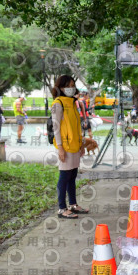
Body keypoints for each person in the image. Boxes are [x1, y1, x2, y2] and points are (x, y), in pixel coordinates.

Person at [50, 75, 88, 219]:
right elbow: (56, 127)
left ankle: (73, 204)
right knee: (64, 177)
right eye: (68, 86)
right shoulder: (58, 104)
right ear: (60, 87)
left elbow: (77, 126)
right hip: (65, 146)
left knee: (72, 176)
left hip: (75, 145)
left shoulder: (72, 103)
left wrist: (81, 144)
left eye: (72, 85)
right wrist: (60, 147)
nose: (71, 88)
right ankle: (62, 208)